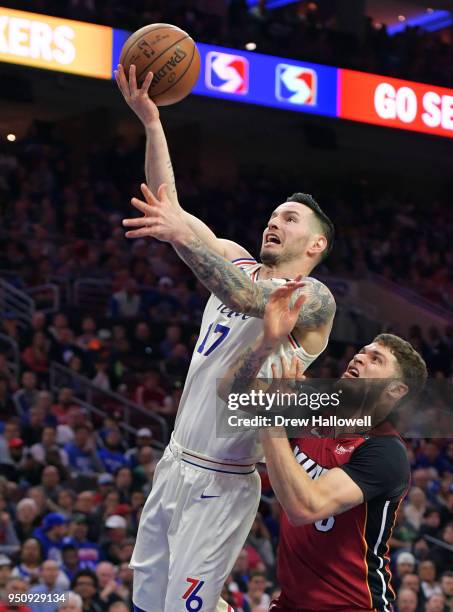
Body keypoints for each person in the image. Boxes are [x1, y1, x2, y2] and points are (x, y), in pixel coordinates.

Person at [115, 64, 336, 612]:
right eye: (273, 214)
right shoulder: (236, 256)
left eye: (289, 219)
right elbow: (169, 206)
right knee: (144, 602)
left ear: (314, 245)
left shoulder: (314, 298)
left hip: (224, 479)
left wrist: (185, 240)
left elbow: (241, 296)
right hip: (175, 459)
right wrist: (152, 123)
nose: (274, 222)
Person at [221, 282, 428, 611]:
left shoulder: (385, 452)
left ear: (395, 390)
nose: (360, 356)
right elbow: (231, 391)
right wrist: (268, 341)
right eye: (362, 351)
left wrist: (271, 414)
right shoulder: (315, 406)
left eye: (375, 359)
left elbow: (305, 508)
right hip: (292, 601)